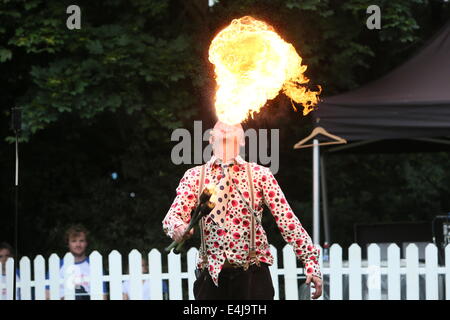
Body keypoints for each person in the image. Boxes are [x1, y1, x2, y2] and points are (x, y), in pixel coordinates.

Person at [162, 121, 323, 300]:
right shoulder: (194, 176)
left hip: (253, 277)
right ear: (210, 138)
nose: (227, 126)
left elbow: (287, 220)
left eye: (234, 125)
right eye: (221, 125)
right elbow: (172, 217)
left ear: (242, 140)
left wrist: (311, 261)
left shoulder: (260, 175)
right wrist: (177, 227)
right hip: (211, 278)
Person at [45, 225, 108, 300]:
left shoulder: (94, 266)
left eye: (81, 241)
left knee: (79, 290)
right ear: (68, 244)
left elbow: (103, 296)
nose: (78, 245)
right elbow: (46, 294)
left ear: (86, 243)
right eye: (74, 241)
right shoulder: (56, 266)